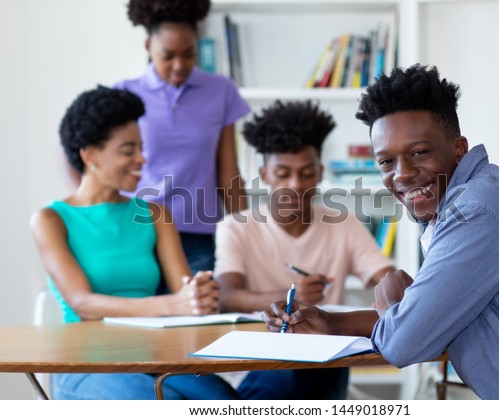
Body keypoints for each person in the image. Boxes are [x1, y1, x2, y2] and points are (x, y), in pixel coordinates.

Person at [263, 64, 499, 399]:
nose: (403, 174)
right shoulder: (463, 201)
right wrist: (332, 323)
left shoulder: (475, 210)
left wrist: (399, 304)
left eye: (420, 152)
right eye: (386, 162)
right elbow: (429, 315)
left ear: (458, 149)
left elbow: (403, 343)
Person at [30, 86, 236, 400]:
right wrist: (171, 304)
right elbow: (83, 304)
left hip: (155, 356)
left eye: (141, 147)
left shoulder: (155, 215)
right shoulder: (50, 220)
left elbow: (186, 295)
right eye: (128, 150)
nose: (142, 159)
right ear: (90, 155)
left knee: (226, 404)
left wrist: (200, 295)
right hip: (86, 363)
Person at [214, 100, 395, 399]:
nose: (296, 184)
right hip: (257, 365)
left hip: (323, 363)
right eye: (283, 173)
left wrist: (397, 290)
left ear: (321, 171)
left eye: (307, 173)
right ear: (265, 173)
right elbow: (226, 296)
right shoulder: (236, 226)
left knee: (328, 363)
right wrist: (288, 297)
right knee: (286, 376)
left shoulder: (343, 223)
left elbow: (385, 280)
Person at [114, 0, 251, 280]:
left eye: (189, 54)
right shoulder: (124, 94)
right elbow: (87, 159)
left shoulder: (221, 90)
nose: (179, 65)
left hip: (198, 236)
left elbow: (228, 173)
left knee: (197, 317)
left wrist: (247, 234)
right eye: (168, 55)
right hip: (137, 232)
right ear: (148, 47)